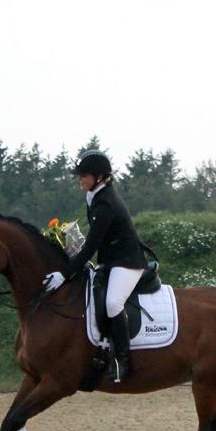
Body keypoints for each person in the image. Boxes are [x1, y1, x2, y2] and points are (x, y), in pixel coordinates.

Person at [42, 150, 149, 382]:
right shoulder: (95, 196)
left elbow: (91, 245)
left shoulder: (106, 203)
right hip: (111, 260)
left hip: (128, 262)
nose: (80, 179)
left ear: (99, 176)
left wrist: (64, 273)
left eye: (84, 175)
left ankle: (122, 361)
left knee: (113, 303)